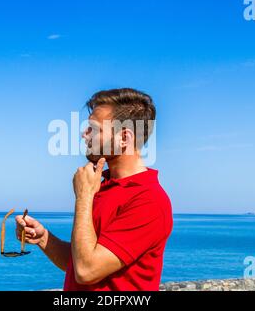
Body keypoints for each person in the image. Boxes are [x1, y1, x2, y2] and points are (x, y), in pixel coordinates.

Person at [16, 88, 173, 291]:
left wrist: (83, 197)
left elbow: (86, 271)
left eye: (93, 129)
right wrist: (44, 238)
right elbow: (77, 262)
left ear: (124, 138)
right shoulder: (101, 184)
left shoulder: (148, 200)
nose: (84, 134)